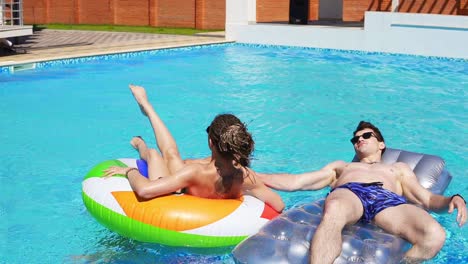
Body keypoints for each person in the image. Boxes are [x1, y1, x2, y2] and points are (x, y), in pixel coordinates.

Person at [257, 121, 466, 263]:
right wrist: (255, 177)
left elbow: (427, 198)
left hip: (388, 200)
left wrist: (454, 199)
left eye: (366, 135)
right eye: (355, 139)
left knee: (435, 235)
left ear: (381, 144)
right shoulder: (343, 167)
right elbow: (296, 181)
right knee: (336, 209)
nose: (359, 140)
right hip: (351, 193)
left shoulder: (398, 168)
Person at [104, 84, 284, 212]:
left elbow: (144, 191)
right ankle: (147, 111)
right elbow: (279, 205)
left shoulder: (194, 172)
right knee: (171, 156)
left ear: (211, 143)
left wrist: (129, 171)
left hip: (179, 193)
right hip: (196, 183)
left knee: (156, 154)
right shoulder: (246, 177)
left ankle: (144, 127)